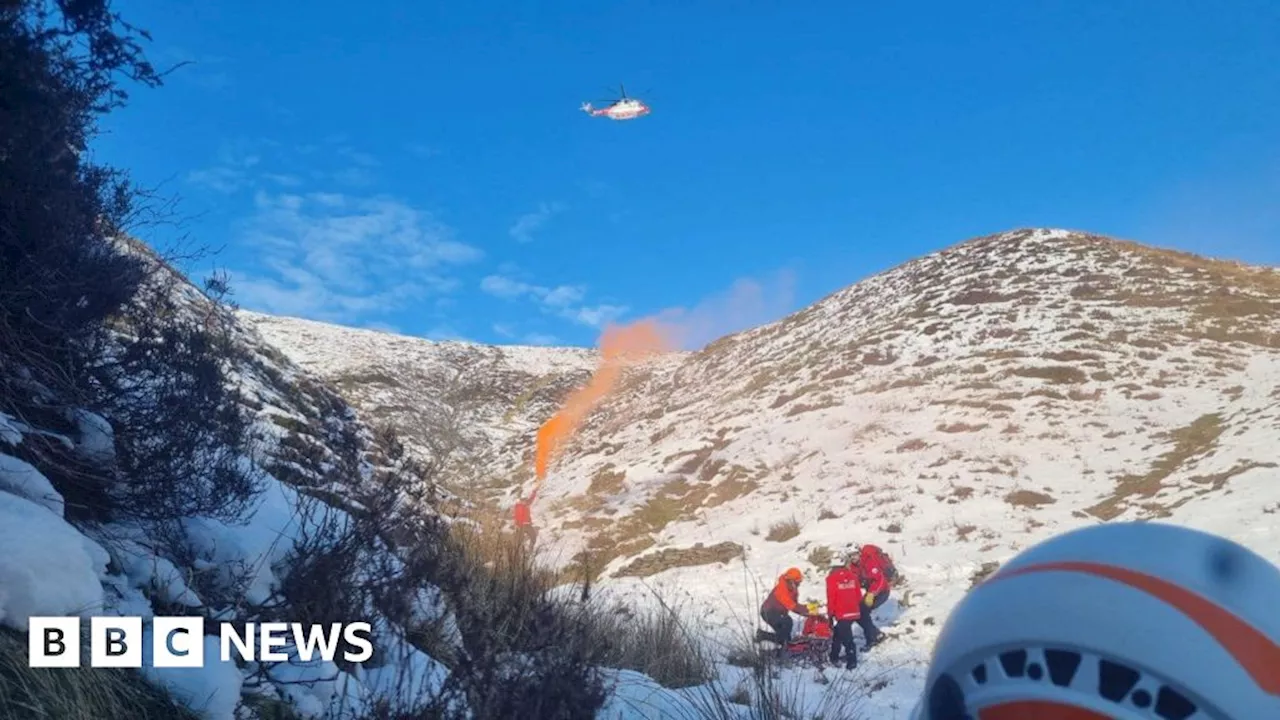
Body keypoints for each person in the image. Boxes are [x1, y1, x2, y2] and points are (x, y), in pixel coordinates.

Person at [757, 567, 817, 648]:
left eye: (799, 583)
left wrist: (809, 612)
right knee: (787, 622)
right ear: (791, 580)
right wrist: (808, 609)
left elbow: (795, 606)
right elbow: (791, 605)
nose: (798, 585)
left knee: (785, 638)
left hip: (778, 613)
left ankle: (778, 652)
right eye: (797, 583)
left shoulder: (793, 590)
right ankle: (763, 636)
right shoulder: (781, 588)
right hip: (768, 612)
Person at [854, 543, 895, 648]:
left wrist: (871, 594)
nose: (853, 558)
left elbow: (880, 580)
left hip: (882, 592)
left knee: (862, 613)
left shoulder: (869, 561)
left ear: (859, 553)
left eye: (854, 555)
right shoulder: (856, 565)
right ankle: (875, 635)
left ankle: (874, 637)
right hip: (871, 592)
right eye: (850, 556)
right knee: (859, 613)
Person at [825, 556, 862, 669]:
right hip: (854, 612)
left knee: (847, 638)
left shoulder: (831, 579)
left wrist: (830, 614)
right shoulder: (853, 576)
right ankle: (833, 656)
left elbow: (831, 598)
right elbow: (859, 596)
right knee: (838, 633)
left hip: (842, 613)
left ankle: (852, 662)